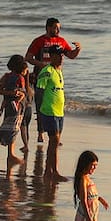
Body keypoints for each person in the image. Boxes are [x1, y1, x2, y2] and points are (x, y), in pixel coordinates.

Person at [34, 47, 68, 182]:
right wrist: (40, 113)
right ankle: (53, 171)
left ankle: (49, 170)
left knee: (55, 142)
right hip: (49, 111)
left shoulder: (58, 71)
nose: (61, 58)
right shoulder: (46, 71)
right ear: (51, 56)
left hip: (59, 111)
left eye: (62, 56)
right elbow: (39, 92)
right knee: (54, 141)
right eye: (58, 55)